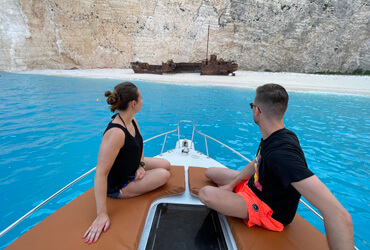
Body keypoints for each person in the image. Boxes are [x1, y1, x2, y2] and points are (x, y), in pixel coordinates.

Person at [198, 83, 354, 249]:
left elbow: (338, 214)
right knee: (211, 173)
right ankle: (235, 188)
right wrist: (231, 184)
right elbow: (258, 160)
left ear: (257, 110)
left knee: (206, 194)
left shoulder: (282, 155)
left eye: (252, 106)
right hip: (258, 187)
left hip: (268, 209)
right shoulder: (279, 135)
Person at [83, 82, 170, 244]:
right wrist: (101, 214)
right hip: (118, 184)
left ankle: (138, 172)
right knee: (164, 175)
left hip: (131, 165)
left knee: (165, 164)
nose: (143, 101)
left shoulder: (132, 121)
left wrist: (141, 165)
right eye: (141, 98)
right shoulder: (116, 133)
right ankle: (123, 193)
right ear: (134, 103)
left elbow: (140, 144)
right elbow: (100, 174)